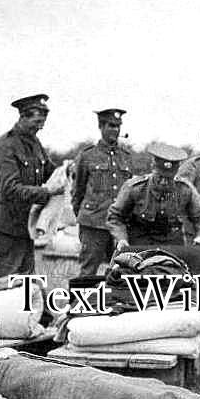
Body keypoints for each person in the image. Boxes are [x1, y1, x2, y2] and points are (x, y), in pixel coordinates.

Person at [0, 94, 63, 278]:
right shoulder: (7, 145)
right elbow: (10, 188)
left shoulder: (34, 143)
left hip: (27, 225)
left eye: (42, 123)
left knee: (26, 280)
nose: (40, 127)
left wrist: (68, 171)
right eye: (37, 121)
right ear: (24, 116)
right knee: (3, 280)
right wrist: (46, 192)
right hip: (9, 227)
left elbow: (50, 171)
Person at [106, 143, 200, 249]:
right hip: (139, 242)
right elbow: (115, 216)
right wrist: (122, 239)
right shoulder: (135, 188)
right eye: (159, 177)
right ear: (153, 169)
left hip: (172, 243)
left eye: (169, 178)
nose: (164, 182)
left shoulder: (185, 190)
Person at [72, 108, 134, 276]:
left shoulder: (126, 156)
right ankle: (79, 302)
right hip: (93, 224)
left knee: (121, 270)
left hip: (119, 226)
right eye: (111, 126)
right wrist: (86, 216)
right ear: (101, 127)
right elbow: (77, 192)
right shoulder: (87, 156)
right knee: (88, 270)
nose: (115, 130)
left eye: (117, 126)